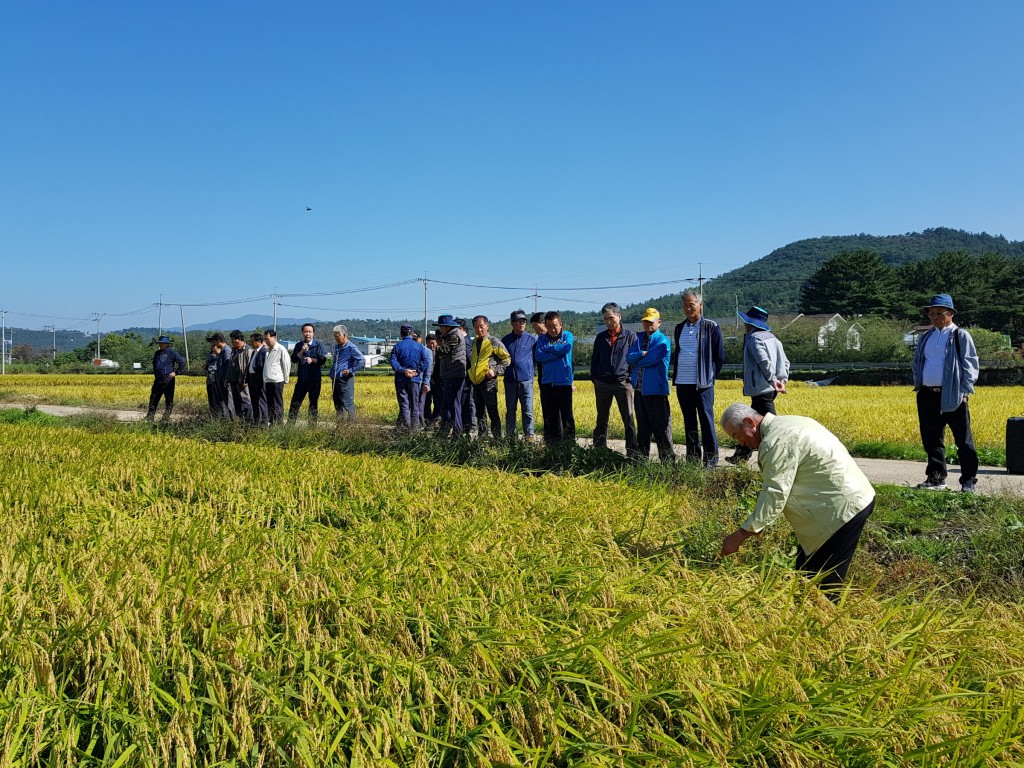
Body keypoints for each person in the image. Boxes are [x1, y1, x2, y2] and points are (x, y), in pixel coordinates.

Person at [719, 403, 876, 595]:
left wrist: (741, 535)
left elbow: (775, 493)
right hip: (848, 499)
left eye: (737, 435)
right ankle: (810, 615)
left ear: (749, 422)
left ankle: (827, 620)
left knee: (824, 586)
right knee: (805, 575)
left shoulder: (776, 442)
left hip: (841, 511)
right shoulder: (791, 422)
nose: (740, 443)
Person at [911, 293, 980, 492]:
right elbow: (919, 362)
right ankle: (935, 478)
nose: (933, 317)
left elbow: (970, 364)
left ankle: (968, 481)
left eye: (938, 313)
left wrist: (965, 391)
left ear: (950, 313)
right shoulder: (927, 336)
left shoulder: (960, 335)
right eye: (930, 313)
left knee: (963, 440)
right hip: (927, 394)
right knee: (932, 439)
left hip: (952, 394)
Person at [729, 306, 789, 464]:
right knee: (752, 421)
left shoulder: (755, 338)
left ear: (749, 324)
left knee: (770, 425)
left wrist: (771, 379)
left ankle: (779, 455)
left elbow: (764, 362)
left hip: (762, 388)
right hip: (770, 387)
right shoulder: (774, 338)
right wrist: (781, 380)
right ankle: (741, 455)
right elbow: (786, 362)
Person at [672, 290, 725, 466]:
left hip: (703, 384)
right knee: (689, 422)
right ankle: (693, 460)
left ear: (700, 305)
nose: (688, 308)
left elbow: (719, 357)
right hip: (683, 382)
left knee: (706, 421)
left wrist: (709, 377)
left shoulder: (711, 326)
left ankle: (711, 461)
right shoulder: (679, 327)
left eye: (691, 305)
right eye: (685, 305)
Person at [626, 308, 675, 463]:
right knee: (643, 429)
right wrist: (641, 354)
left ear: (659, 322)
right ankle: (641, 461)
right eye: (645, 321)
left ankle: (668, 463)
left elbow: (652, 359)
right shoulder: (639, 340)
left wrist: (638, 360)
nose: (648, 324)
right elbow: (628, 359)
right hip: (639, 390)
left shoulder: (663, 340)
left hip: (656, 391)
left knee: (661, 429)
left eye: (651, 321)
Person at [590, 302, 638, 455]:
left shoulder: (630, 336)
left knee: (628, 420)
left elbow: (635, 360)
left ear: (619, 316)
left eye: (611, 318)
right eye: (605, 319)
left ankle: (632, 452)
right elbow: (594, 360)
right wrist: (596, 379)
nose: (608, 322)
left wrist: (629, 379)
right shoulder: (600, 337)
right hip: (603, 383)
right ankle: (599, 450)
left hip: (623, 383)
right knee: (601, 419)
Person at [535, 310, 576, 444]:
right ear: (545, 326)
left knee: (567, 417)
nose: (553, 329)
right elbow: (538, 356)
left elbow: (567, 348)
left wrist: (549, 349)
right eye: (549, 326)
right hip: (548, 384)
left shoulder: (567, 336)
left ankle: (570, 445)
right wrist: (557, 353)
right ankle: (553, 447)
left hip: (564, 383)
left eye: (555, 325)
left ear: (561, 324)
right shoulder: (542, 338)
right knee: (552, 418)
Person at [468, 315, 511, 439]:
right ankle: (483, 436)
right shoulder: (475, 341)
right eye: (476, 327)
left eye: (481, 326)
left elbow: (507, 358)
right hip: (476, 382)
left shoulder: (493, 341)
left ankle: (497, 437)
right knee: (479, 411)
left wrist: (495, 371)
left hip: (489, 382)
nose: (479, 329)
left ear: (487, 326)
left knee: (492, 410)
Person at [501, 310, 538, 440]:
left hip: (526, 381)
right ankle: (511, 437)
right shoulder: (505, 340)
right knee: (510, 410)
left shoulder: (532, 339)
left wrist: (530, 371)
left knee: (527, 410)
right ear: (512, 323)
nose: (522, 324)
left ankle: (529, 435)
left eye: (523, 321)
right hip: (510, 381)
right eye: (518, 321)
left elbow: (536, 359)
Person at [434, 314, 468, 435]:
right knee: (450, 404)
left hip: (453, 374)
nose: (440, 329)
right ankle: (450, 429)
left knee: (454, 404)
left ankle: (457, 432)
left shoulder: (453, 336)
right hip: (451, 373)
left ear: (447, 327)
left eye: (441, 327)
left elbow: (443, 351)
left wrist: (435, 347)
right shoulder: (453, 334)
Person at [390, 323, 430, 429]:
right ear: (412, 334)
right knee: (415, 404)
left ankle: (406, 427)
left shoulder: (397, 346)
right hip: (415, 379)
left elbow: (393, 363)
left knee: (404, 403)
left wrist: (404, 371)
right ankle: (415, 428)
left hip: (401, 378)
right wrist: (417, 371)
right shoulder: (420, 347)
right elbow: (426, 361)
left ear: (401, 334)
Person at [288, 323, 327, 424]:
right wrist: (302, 350)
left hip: (315, 380)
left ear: (313, 333)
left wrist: (312, 360)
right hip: (302, 379)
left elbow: (322, 360)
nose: (307, 334)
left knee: (313, 403)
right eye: (305, 332)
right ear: (302, 333)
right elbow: (294, 359)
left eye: (310, 332)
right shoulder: (299, 345)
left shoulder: (318, 346)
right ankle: (290, 425)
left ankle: (312, 426)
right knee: (295, 403)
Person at [327, 325, 366, 420]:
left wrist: (351, 370)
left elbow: (361, 360)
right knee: (338, 404)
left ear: (344, 335)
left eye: (337, 336)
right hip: (336, 379)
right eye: (335, 336)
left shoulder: (351, 347)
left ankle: (351, 427)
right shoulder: (337, 347)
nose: (336, 338)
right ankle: (340, 427)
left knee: (347, 404)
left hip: (345, 379)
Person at [146, 334, 185, 422]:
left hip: (168, 379)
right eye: (160, 343)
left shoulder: (172, 352)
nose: (161, 344)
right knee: (153, 398)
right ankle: (150, 417)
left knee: (169, 399)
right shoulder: (157, 353)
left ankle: (166, 418)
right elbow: (154, 364)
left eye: (163, 343)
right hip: (158, 379)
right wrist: (155, 373)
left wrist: (176, 372)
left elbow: (182, 363)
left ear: (167, 344)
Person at [262, 329, 290, 424]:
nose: (266, 341)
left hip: (277, 380)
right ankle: (272, 422)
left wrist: (286, 379)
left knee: (277, 403)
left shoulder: (281, 348)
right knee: (269, 403)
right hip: (268, 380)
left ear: (274, 338)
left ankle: (278, 423)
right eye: (265, 339)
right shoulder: (267, 350)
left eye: (268, 339)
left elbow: (286, 364)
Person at [203, 332, 233, 419]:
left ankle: (229, 419)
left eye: (214, 342)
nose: (213, 344)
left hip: (223, 381)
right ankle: (222, 419)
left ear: (219, 341)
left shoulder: (226, 351)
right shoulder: (223, 350)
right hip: (218, 380)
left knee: (227, 402)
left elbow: (227, 367)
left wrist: (225, 379)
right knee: (218, 401)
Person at [226, 330, 253, 422]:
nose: (232, 342)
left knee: (245, 401)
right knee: (236, 401)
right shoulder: (233, 350)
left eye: (233, 340)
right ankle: (240, 420)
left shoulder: (247, 350)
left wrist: (246, 379)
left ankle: (249, 421)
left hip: (242, 382)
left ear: (239, 340)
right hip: (233, 381)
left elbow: (249, 366)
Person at [247, 333, 268, 425]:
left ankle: (263, 420)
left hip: (259, 379)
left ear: (259, 341)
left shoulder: (264, 351)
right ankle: (256, 420)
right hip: (252, 379)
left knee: (261, 400)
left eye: (252, 341)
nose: (251, 343)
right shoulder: (254, 352)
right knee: (254, 400)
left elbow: (263, 366)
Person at [421, 331, 439, 426]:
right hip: (427, 380)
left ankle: (435, 419)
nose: (432, 345)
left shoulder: (439, 352)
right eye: (430, 343)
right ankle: (427, 420)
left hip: (437, 380)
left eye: (433, 343)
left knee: (437, 401)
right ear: (427, 343)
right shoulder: (424, 352)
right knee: (427, 401)